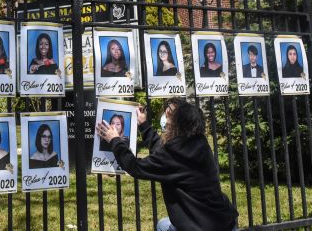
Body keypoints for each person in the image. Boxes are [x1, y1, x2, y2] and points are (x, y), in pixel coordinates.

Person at [96, 98, 238, 231]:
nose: (165, 120)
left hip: (199, 226)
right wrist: (144, 125)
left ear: (179, 123)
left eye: (169, 116)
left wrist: (115, 140)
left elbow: (136, 167)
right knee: (164, 224)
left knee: (162, 225)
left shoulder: (174, 154)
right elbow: (164, 153)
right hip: (224, 220)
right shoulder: (199, 143)